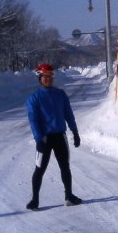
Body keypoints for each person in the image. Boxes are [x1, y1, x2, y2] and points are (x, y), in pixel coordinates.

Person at [25, 63, 82, 210]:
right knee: (40, 169)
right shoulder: (34, 98)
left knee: (65, 167)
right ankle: (35, 200)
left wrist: (75, 132)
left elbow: (68, 114)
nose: (49, 79)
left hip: (59, 137)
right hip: (44, 139)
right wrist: (38, 138)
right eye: (46, 77)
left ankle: (69, 196)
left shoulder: (60, 94)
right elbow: (33, 120)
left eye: (51, 77)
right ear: (39, 77)